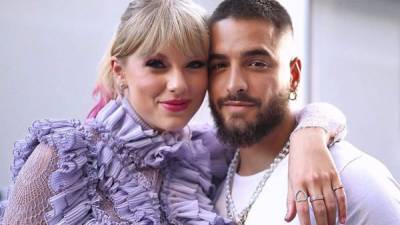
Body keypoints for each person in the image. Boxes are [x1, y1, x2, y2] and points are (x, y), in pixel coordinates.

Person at [0, 0, 347, 224]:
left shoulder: (204, 153)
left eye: (195, 64)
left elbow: (301, 113)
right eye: (156, 64)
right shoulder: (66, 157)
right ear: (119, 70)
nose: (179, 84)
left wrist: (309, 139)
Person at [208, 1, 400, 225]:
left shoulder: (351, 178)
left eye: (257, 63)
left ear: (294, 75)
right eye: (219, 66)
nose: (234, 85)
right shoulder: (205, 183)